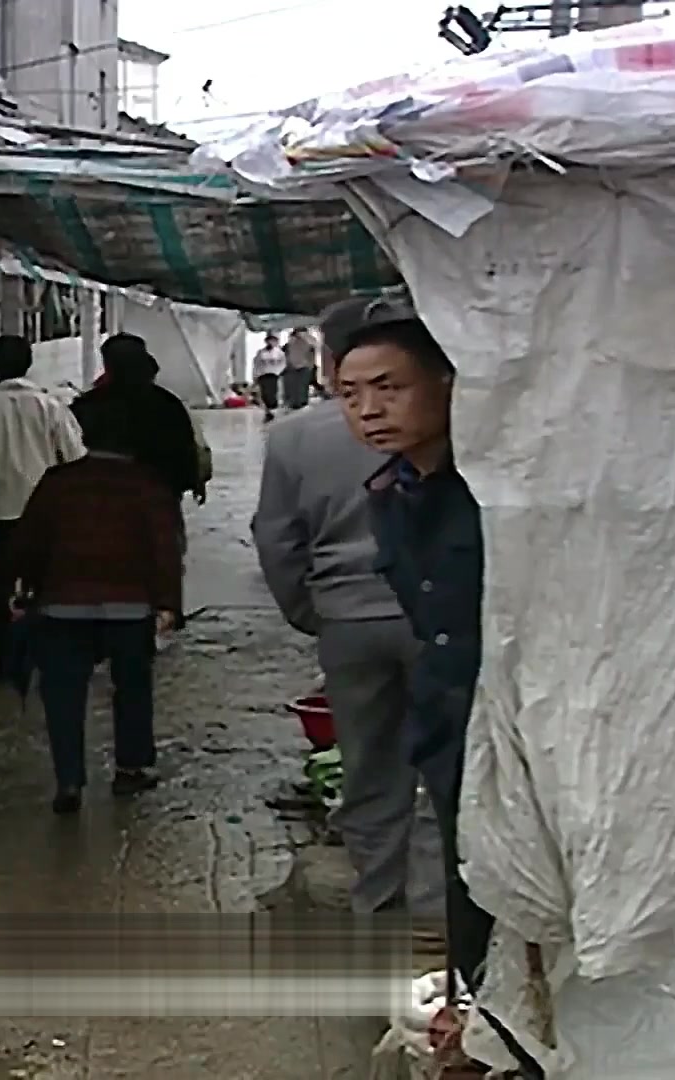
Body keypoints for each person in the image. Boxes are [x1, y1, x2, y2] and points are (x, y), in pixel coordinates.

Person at [333, 298, 542, 1076]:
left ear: (448, 383)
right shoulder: (391, 494)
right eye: (350, 395)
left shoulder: (502, 489)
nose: (370, 410)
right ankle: (481, 1020)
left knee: (526, 879)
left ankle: (515, 1029)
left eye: (389, 387)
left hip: (525, 718)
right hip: (452, 721)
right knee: (468, 872)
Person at [250, 299, 443, 919]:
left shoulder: (294, 436)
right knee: (450, 766)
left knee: (368, 767)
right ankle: (440, 916)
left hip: (348, 620)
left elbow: (277, 539)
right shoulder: (450, 420)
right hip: (440, 621)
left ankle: (378, 900)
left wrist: (312, 612)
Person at [7, 392, 181, 814]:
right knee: (133, 686)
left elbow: (30, 542)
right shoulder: (147, 485)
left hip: (63, 604)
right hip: (130, 607)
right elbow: (165, 548)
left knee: (63, 693)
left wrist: (26, 589)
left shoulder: (58, 482)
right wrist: (167, 603)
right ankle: (131, 768)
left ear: (83, 434)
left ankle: (69, 781)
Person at [0, 335, 86, 677]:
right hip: (46, 518)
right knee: (50, 586)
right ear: (29, 363)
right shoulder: (51, 406)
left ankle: (8, 660)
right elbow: (74, 462)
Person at [73, 333, 204, 509]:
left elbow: (70, 453)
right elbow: (184, 451)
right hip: (157, 501)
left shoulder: (89, 404)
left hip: (100, 502)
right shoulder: (167, 404)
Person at [253, 332, 287, 421]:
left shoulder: (279, 353)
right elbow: (256, 364)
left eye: (272, 341)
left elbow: (283, 363)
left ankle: (273, 410)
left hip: (273, 374)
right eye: (269, 341)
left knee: (271, 393)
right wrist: (255, 375)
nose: (270, 343)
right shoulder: (261, 352)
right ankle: (268, 411)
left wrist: (278, 371)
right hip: (262, 375)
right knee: (264, 394)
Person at [283, 327, 318, 411]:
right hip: (292, 367)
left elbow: (315, 345)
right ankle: (293, 403)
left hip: (304, 366)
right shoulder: (291, 341)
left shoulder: (308, 341)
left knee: (303, 385)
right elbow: (286, 351)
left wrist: (310, 365)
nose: (300, 334)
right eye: (299, 332)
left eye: (302, 332)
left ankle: (303, 402)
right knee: (293, 385)